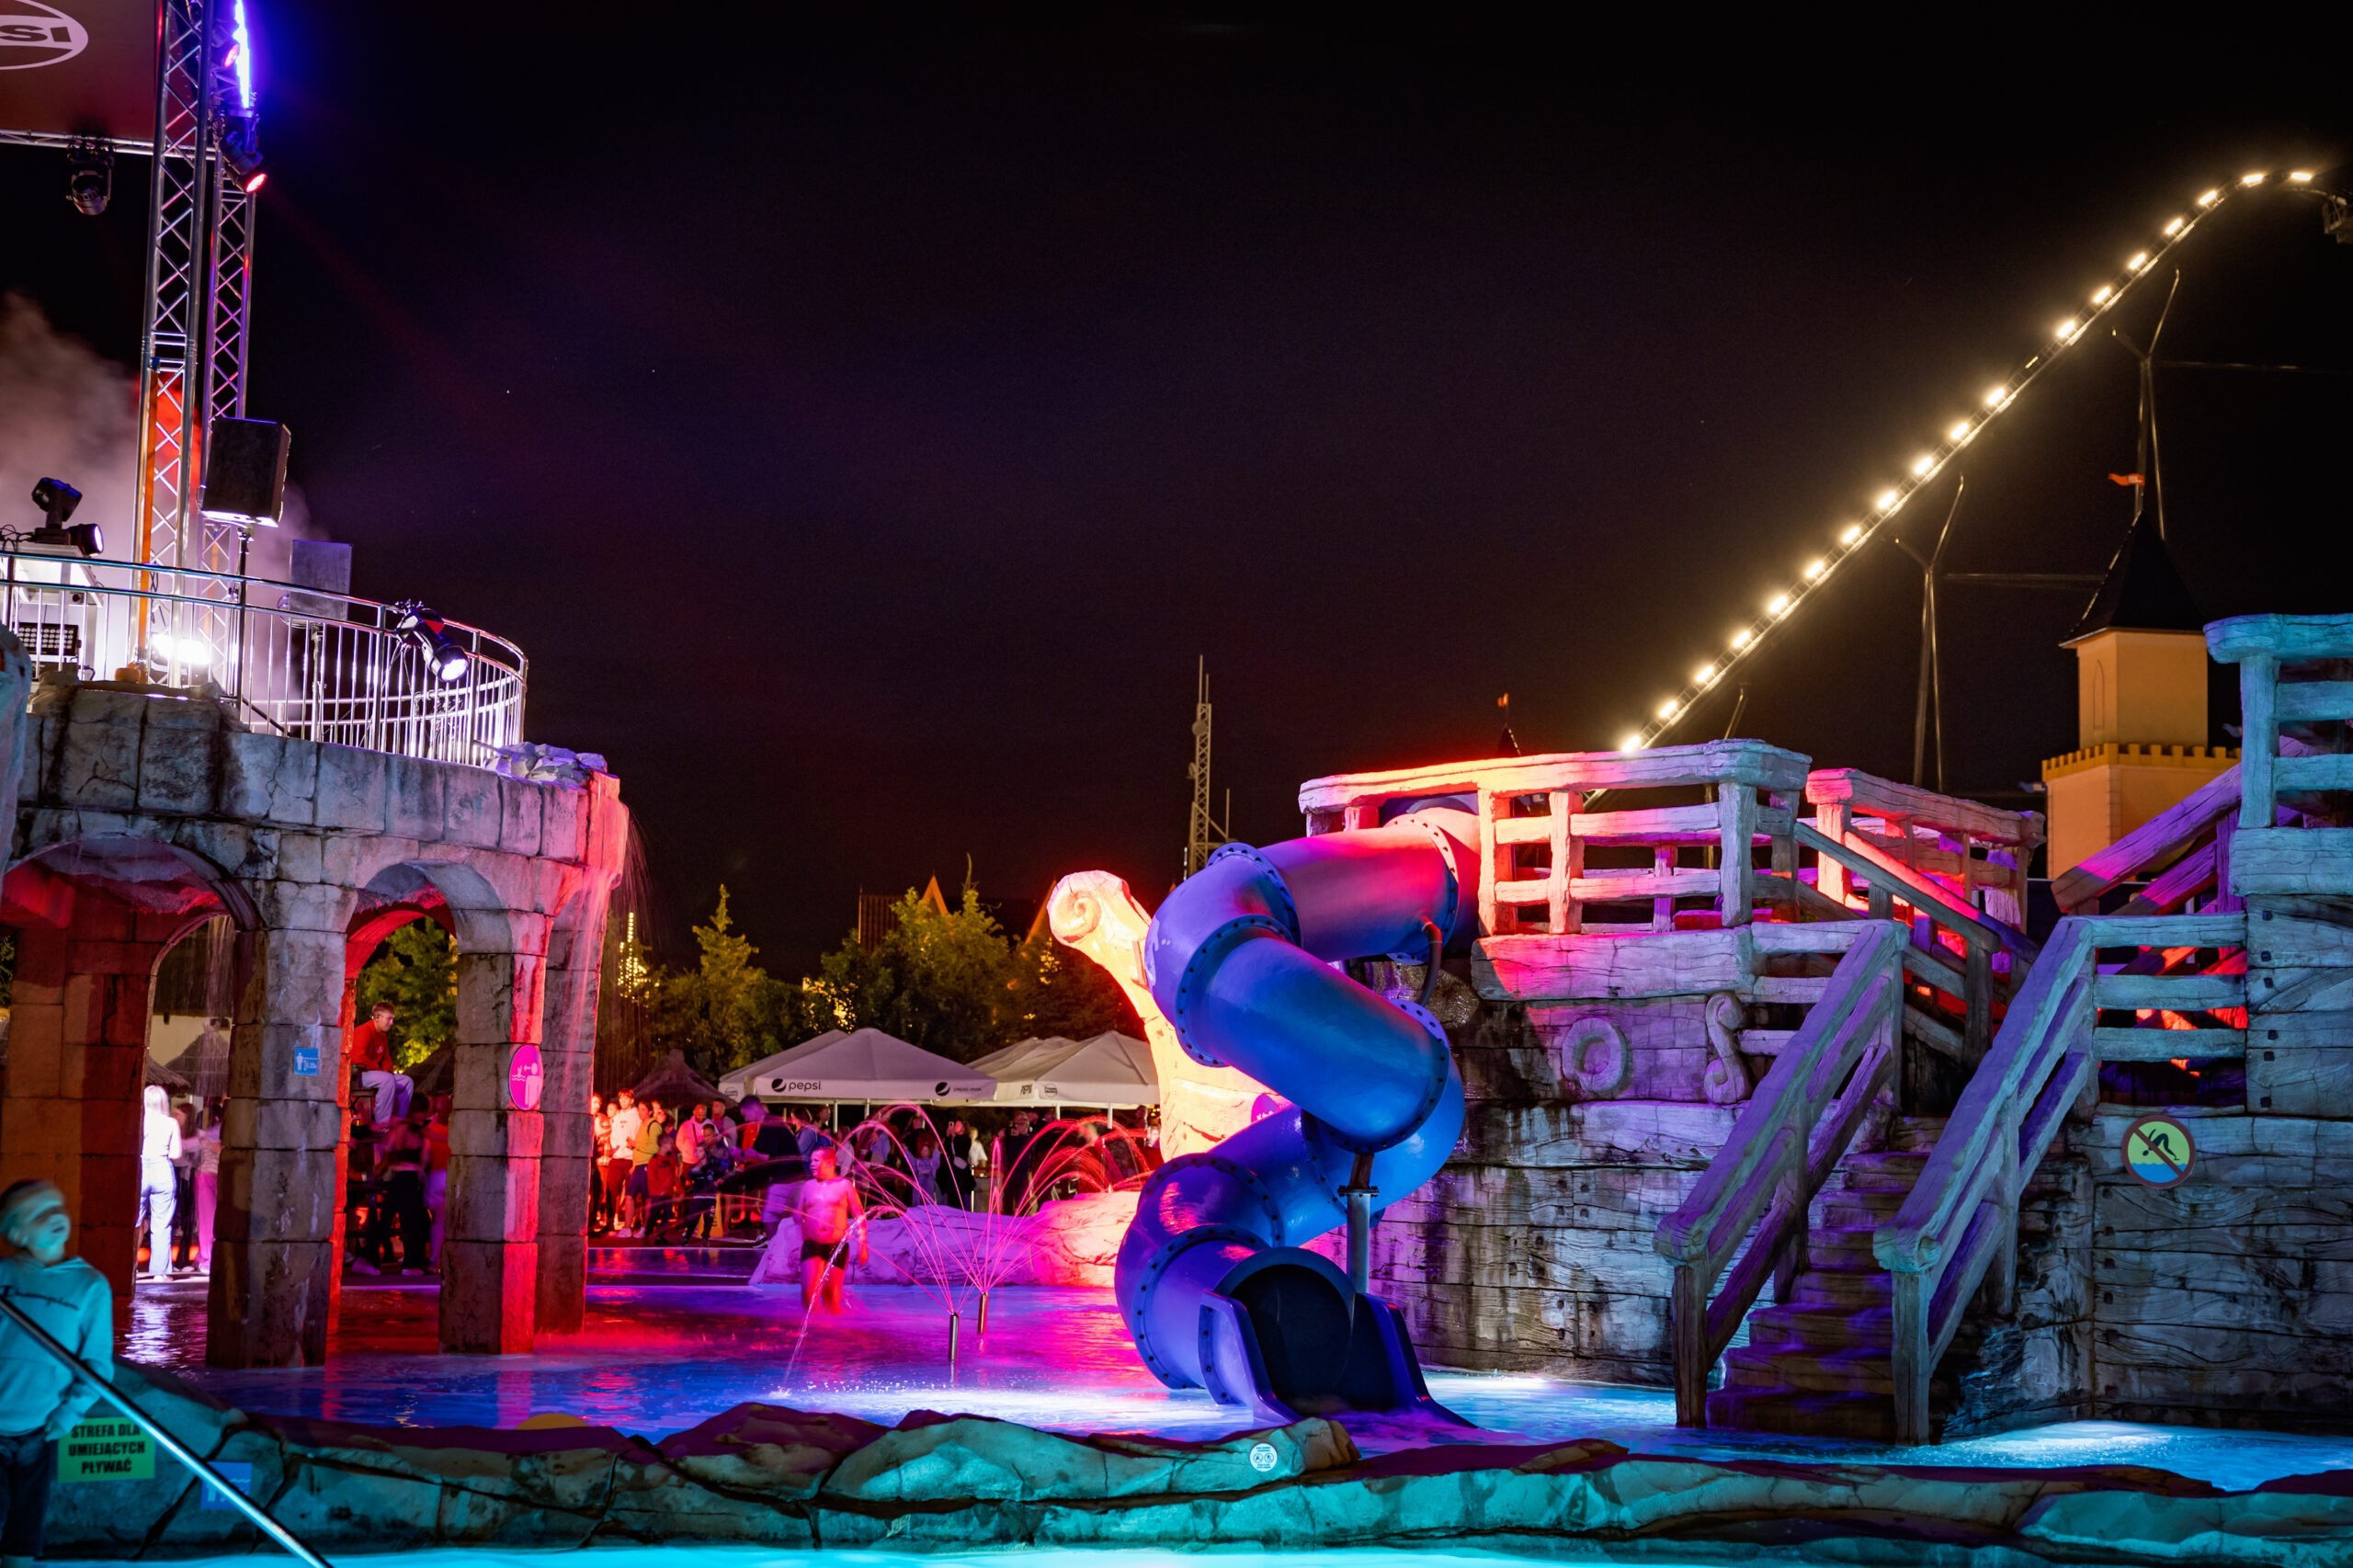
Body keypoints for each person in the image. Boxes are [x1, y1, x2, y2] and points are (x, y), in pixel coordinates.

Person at [0, 1179, 114, 1568]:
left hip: (39, 1425)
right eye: (39, 1213)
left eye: (57, 1206)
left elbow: (97, 1362)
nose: (55, 1216)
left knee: (27, 1515)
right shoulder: (4, 1275)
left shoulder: (90, 1286)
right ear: (17, 1233)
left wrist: (69, 1413)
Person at [791, 1145, 866, 1314]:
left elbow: (859, 1215)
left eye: (816, 1161)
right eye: (811, 1160)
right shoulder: (808, 1186)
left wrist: (863, 1245)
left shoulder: (844, 1185)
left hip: (836, 1246)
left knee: (831, 1297)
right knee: (808, 1296)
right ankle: (815, 1326)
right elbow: (798, 1215)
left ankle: (833, 1327)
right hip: (812, 1244)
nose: (811, 1164)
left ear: (829, 1163)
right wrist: (799, 1235)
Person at [135, 1085, 181, 1281]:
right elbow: (176, 1154)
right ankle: (160, 1273)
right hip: (162, 1170)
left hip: (140, 1170)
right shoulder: (170, 1123)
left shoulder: (139, 1120)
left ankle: (128, 1269)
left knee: (134, 1222)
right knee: (162, 1224)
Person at [347, 1002, 414, 1128]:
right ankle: (381, 1126)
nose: (391, 1023)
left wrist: (387, 1069)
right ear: (377, 1017)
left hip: (377, 1074)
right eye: (389, 1019)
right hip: (358, 1075)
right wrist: (380, 1070)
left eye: (392, 1019)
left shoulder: (383, 1036)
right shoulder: (363, 1031)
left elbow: (387, 1059)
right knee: (387, 1079)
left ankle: (398, 1123)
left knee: (407, 1082)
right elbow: (358, 1058)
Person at [192, 1101, 222, 1274]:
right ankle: (207, 1259)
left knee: (208, 1219)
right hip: (209, 1178)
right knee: (208, 1220)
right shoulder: (214, 1132)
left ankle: (205, 1257)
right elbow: (219, 1151)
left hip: (209, 1177)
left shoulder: (211, 1132)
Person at [606, 1089, 642, 1231]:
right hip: (616, 1158)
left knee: (632, 1192)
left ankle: (635, 1221)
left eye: (626, 1098)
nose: (623, 1101)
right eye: (621, 1098)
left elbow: (640, 1135)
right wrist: (614, 1148)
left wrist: (634, 1146)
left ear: (632, 1100)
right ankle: (610, 1222)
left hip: (631, 1159)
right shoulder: (616, 1116)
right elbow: (613, 1135)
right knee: (611, 1190)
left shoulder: (637, 1115)